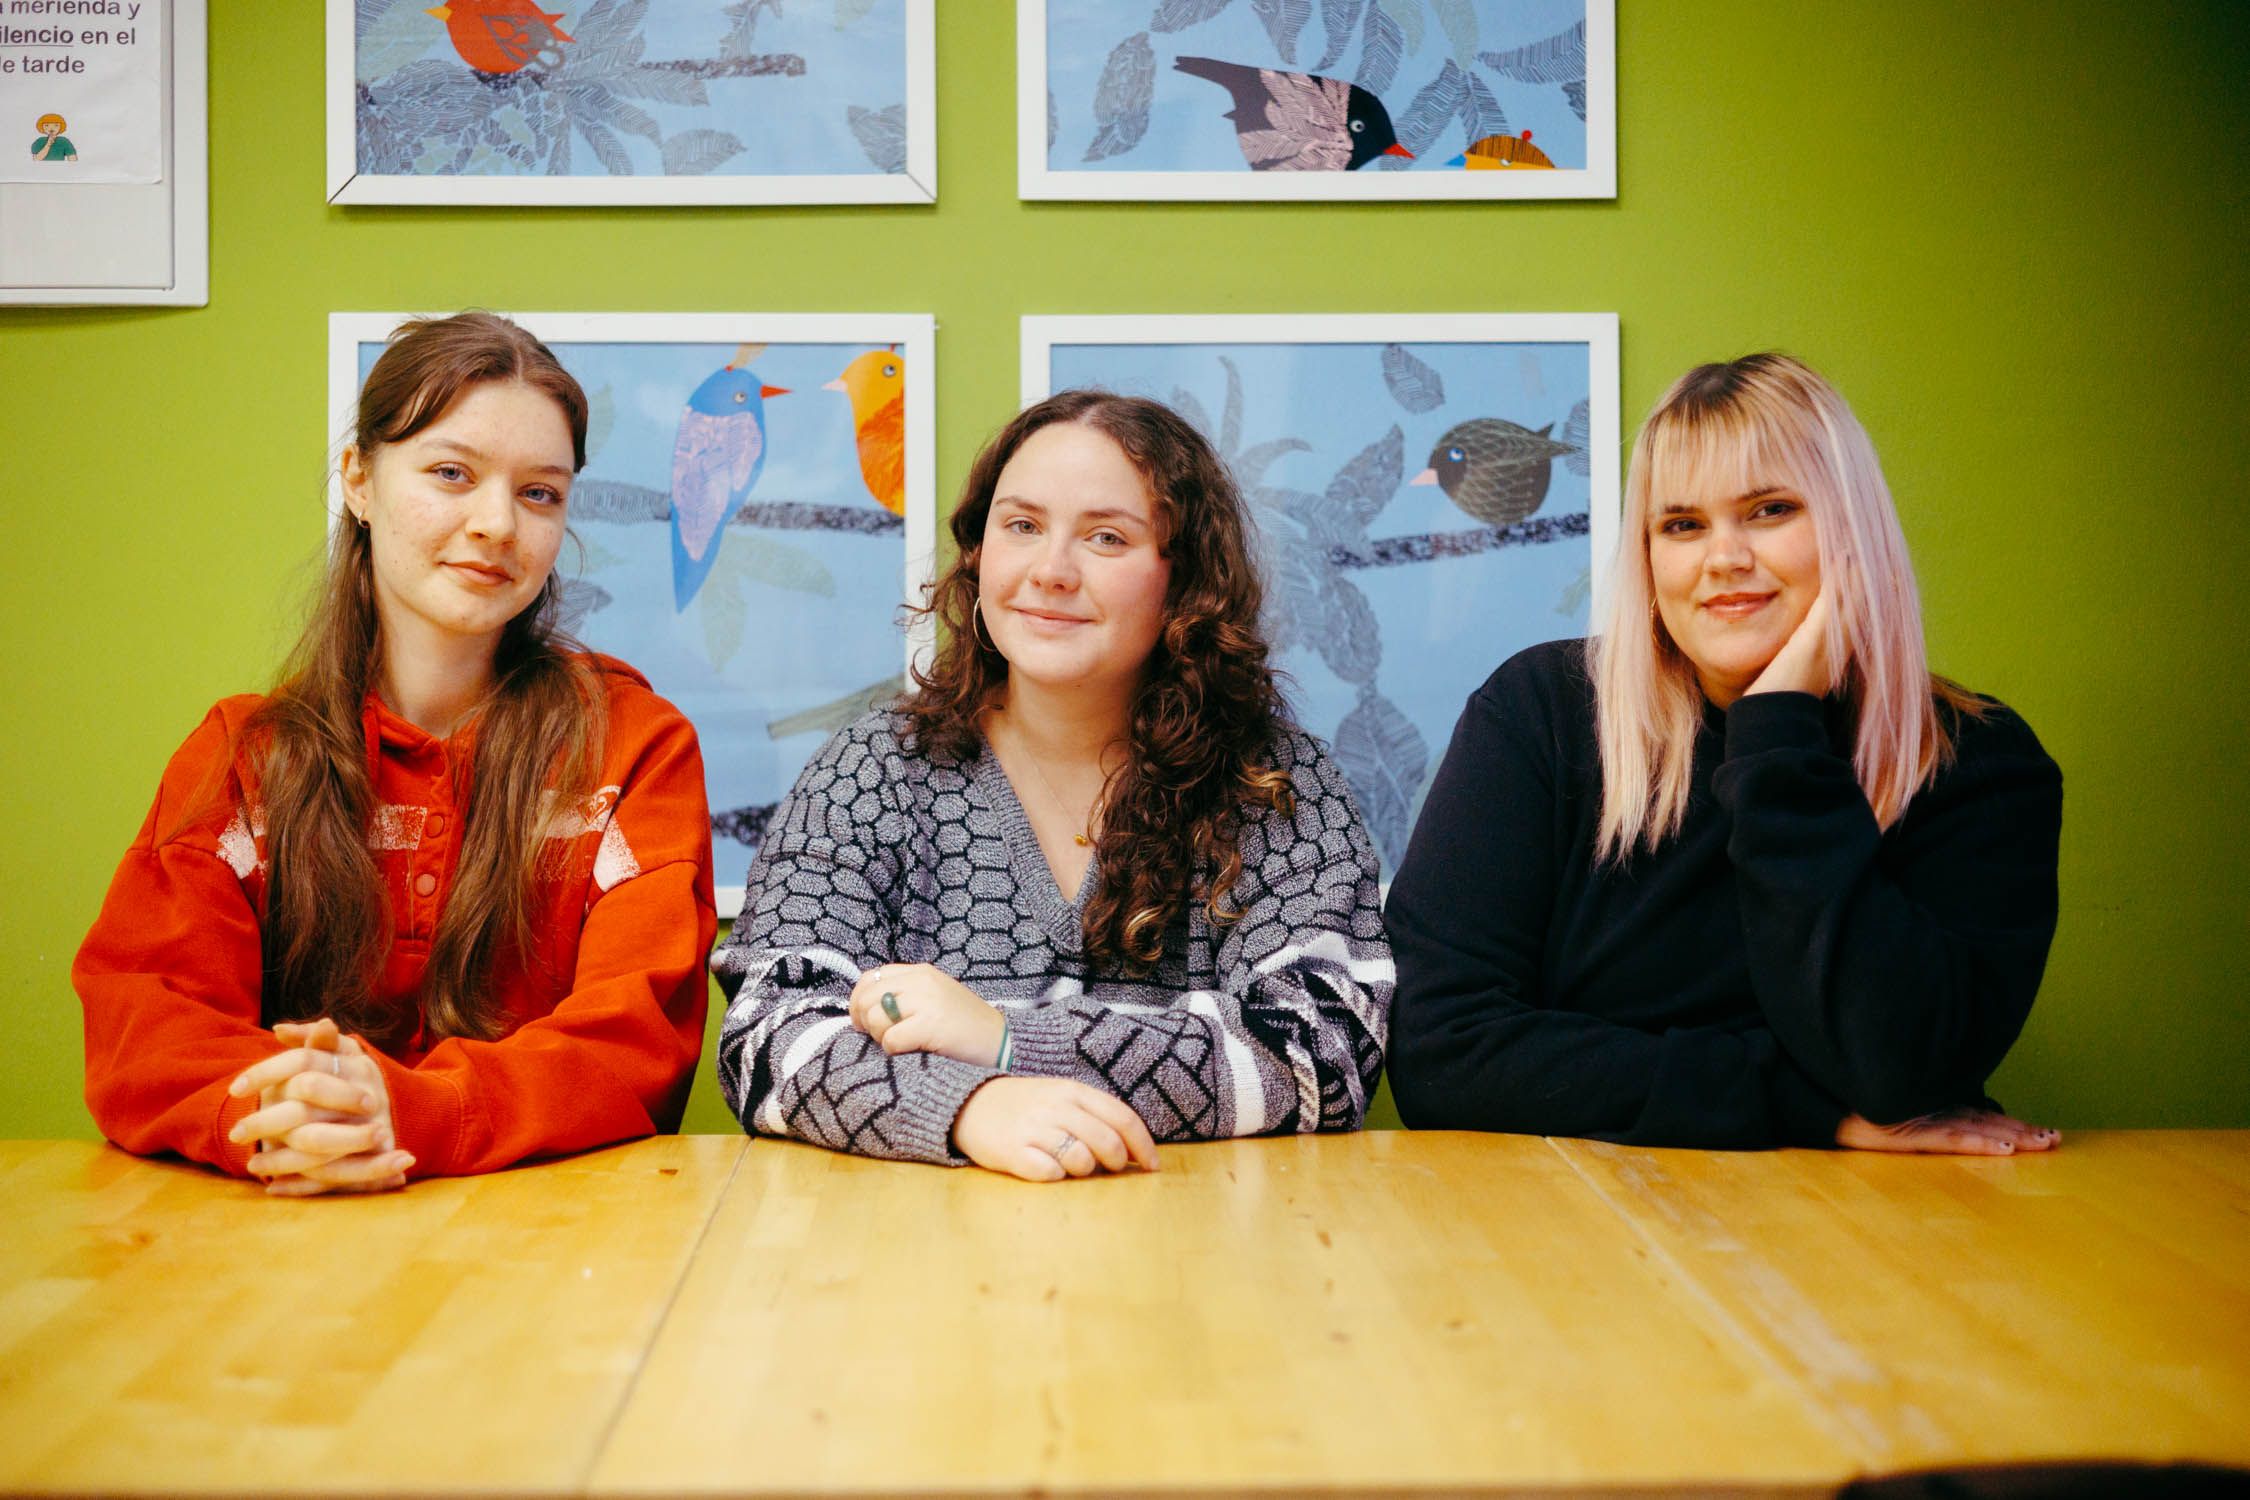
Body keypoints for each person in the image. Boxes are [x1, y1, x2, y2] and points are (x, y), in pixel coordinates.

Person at [76, 312, 716, 1195]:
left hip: (546, 1248)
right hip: (279, 1230)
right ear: (358, 481)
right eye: (451, 474)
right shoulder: (243, 756)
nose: (497, 523)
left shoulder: (636, 748)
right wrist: (289, 1116)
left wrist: (408, 1110)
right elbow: (144, 1023)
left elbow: (634, 1042)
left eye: (541, 494)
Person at [1386, 353, 2064, 1154]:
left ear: (1856, 533)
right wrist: (1803, 1109)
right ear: (1647, 556)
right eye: (1682, 525)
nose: (1724, 558)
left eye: (1770, 510)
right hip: (1570, 1224)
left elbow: (1901, 1074)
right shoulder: (1542, 714)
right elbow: (1440, 1052)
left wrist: (1778, 726)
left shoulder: (1976, 764)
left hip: (1879, 1230)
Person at [711, 390, 1391, 1181]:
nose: (1051, 572)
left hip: (1200, 1263)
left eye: (1106, 537)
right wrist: (968, 1107)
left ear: (1186, 579)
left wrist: (1002, 1039)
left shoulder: (1274, 784)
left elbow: (1321, 1055)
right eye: (1023, 526)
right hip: (914, 1267)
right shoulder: (870, 773)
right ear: (979, 551)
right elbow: (769, 1038)